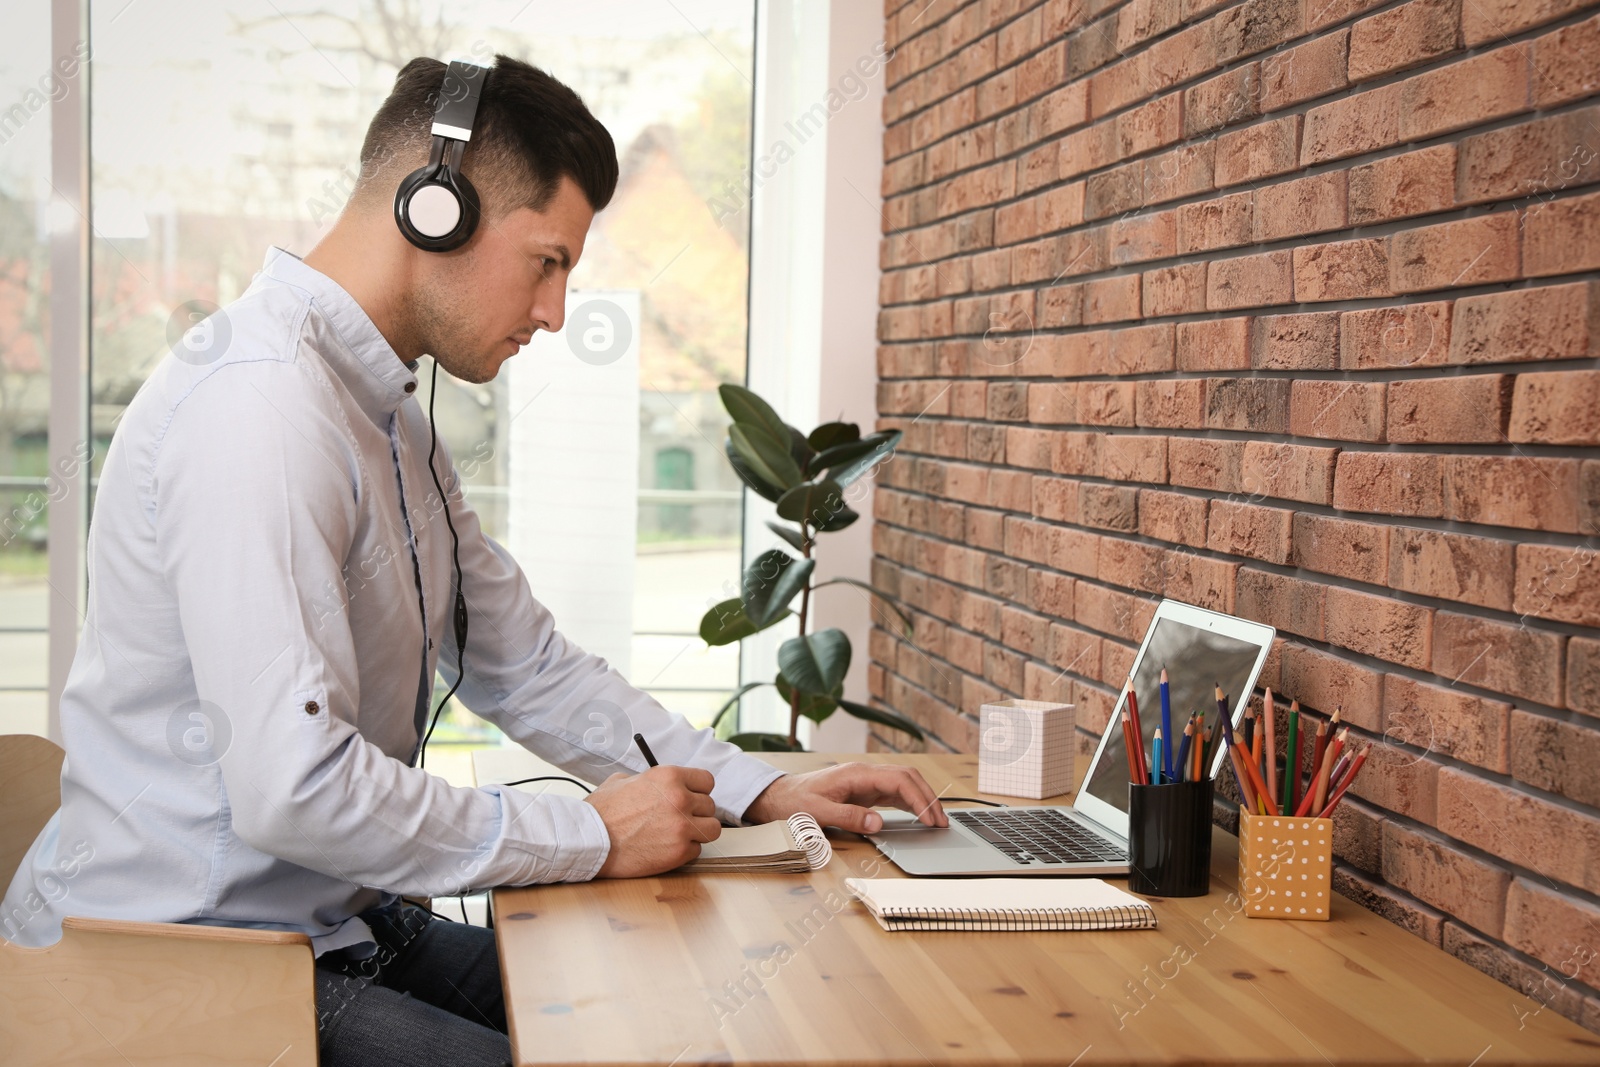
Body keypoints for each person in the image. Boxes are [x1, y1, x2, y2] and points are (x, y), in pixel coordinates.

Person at [1, 54, 947, 1067]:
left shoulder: (387, 416)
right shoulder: (260, 409)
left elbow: (522, 661)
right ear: (434, 211)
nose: (554, 310)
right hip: (172, 964)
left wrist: (757, 790)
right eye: (547, 260)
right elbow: (293, 786)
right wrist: (589, 833)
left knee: (655, 1019)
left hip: (321, 920)